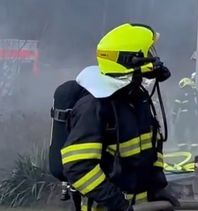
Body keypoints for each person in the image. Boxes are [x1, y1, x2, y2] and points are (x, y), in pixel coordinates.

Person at [59, 23, 178, 211]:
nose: (154, 60)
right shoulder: (95, 106)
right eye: (148, 52)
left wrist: (156, 187)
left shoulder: (137, 99)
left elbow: (152, 148)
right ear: (131, 60)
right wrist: (116, 203)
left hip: (141, 206)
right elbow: (78, 166)